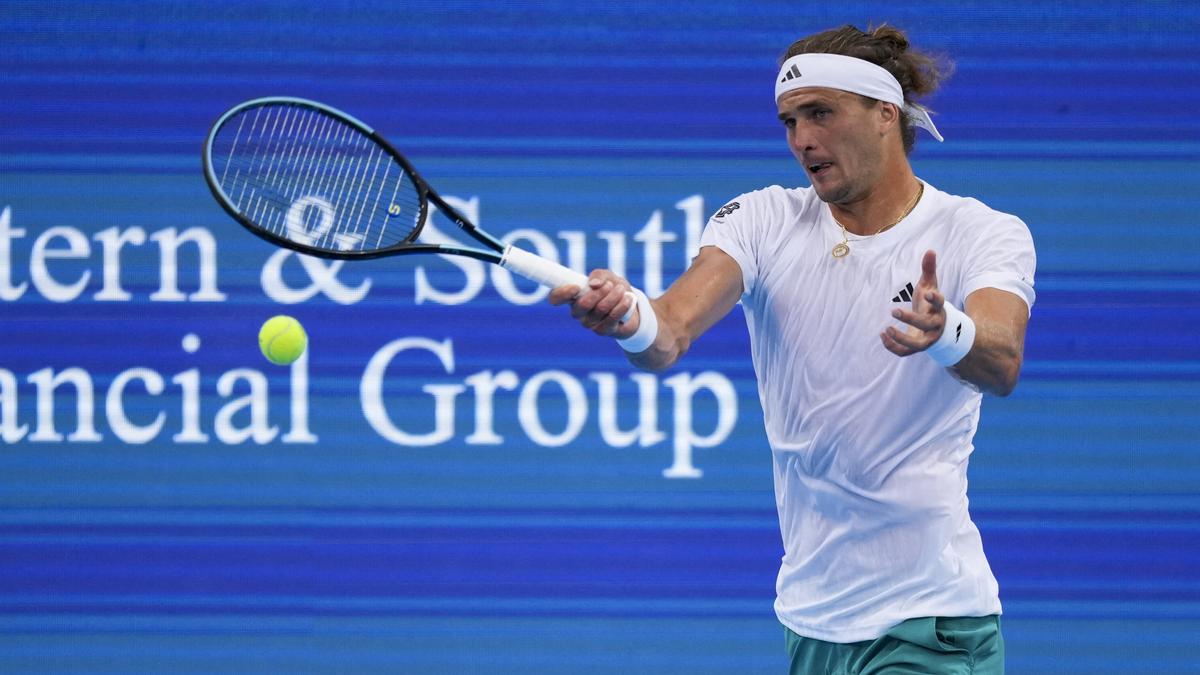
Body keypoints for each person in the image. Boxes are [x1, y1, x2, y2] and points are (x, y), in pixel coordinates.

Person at [549, 23, 1035, 674]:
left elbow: (1002, 360)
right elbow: (670, 332)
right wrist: (628, 316)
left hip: (930, 618)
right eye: (789, 121)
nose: (801, 139)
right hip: (812, 618)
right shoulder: (762, 220)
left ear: (885, 113)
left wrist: (947, 329)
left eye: (820, 113)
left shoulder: (981, 232)